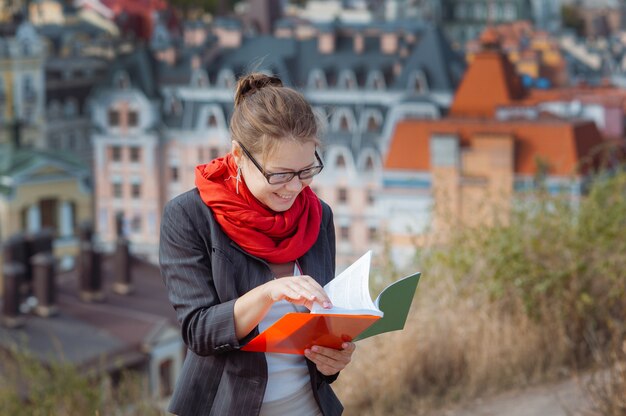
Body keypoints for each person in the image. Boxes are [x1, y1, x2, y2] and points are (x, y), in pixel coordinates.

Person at [159, 73, 355, 416]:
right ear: (238, 155)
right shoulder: (189, 216)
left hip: (308, 407)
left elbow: (321, 323)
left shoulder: (318, 215)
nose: (294, 188)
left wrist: (333, 360)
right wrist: (269, 294)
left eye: (306, 171)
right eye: (279, 174)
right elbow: (199, 332)